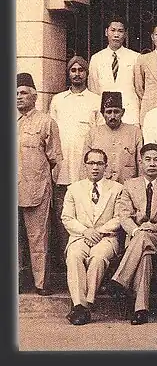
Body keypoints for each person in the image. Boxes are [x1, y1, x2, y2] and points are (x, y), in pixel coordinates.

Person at [109, 143, 157, 325]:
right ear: (140, 162)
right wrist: (136, 230)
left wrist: (156, 227)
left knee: (143, 239)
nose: (152, 163)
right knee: (145, 255)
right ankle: (141, 310)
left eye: (156, 160)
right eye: (147, 159)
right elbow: (124, 216)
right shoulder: (130, 185)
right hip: (138, 240)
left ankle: (120, 280)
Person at [61, 148, 124, 325]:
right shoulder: (74, 189)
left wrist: (99, 231)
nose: (95, 167)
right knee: (74, 256)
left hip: (107, 237)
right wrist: (85, 231)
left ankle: (85, 305)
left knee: (98, 258)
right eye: (91, 163)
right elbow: (67, 217)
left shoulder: (117, 189)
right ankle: (79, 305)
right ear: (85, 166)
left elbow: (120, 217)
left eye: (99, 163)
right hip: (80, 236)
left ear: (106, 166)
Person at [49, 56, 101, 269]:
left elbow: (99, 136)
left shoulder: (95, 100)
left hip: (85, 172)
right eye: (73, 70)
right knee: (65, 217)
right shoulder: (58, 100)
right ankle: (67, 265)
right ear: (68, 73)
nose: (77, 74)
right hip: (62, 171)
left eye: (81, 70)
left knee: (88, 216)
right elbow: (52, 134)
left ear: (86, 73)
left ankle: (88, 264)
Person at [17, 72, 63, 296]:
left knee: (38, 238)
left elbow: (55, 158)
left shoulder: (46, 122)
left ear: (34, 96)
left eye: (24, 93)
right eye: (16, 93)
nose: (19, 97)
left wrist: (45, 184)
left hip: (37, 188)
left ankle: (41, 282)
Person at [88, 16, 140, 125]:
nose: (116, 35)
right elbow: (94, 89)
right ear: (106, 32)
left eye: (120, 31)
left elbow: (139, 89)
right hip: (105, 116)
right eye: (113, 30)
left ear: (125, 34)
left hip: (130, 115)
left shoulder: (135, 57)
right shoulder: (97, 58)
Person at [83, 91, 143, 184]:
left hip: (127, 185)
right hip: (102, 186)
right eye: (108, 112)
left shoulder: (135, 132)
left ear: (123, 112)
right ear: (102, 113)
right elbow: (85, 166)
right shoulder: (93, 133)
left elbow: (141, 163)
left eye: (116, 112)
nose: (112, 116)